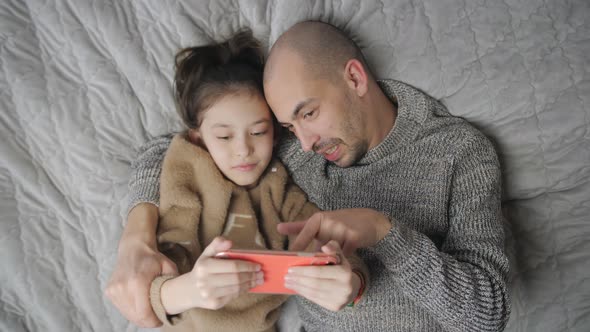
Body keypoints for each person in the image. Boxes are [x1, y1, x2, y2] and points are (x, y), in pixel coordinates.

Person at [106, 21, 511, 332]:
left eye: (309, 113)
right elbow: (171, 148)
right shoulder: (288, 153)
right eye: (286, 126)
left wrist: (384, 232)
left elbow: (487, 314)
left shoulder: (458, 152)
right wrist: (136, 237)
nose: (303, 142)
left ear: (354, 78)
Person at [106, 30, 367, 332]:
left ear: (276, 131)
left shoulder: (279, 184)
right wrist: (190, 289)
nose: (244, 150)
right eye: (224, 137)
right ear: (198, 137)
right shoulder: (187, 173)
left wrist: (350, 276)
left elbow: (328, 241)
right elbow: (150, 293)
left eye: (258, 132)